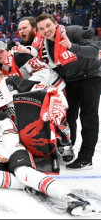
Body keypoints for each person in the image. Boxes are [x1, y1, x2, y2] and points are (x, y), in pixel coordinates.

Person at [0, 97, 96, 217]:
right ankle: (31, 185)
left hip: (12, 151)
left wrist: (5, 153)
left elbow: (11, 135)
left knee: (24, 173)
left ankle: (69, 197)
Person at [35, 14, 101, 170]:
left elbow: (93, 50)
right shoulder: (44, 46)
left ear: (55, 24)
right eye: (41, 28)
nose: (46, 30)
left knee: (88, 117)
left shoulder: (73, 32)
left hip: (89, 77)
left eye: (48, 26)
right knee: (67, 117)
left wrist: (72, 47)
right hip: (69, 81)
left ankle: (86, 158)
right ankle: (67, 150)